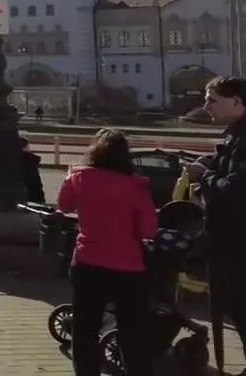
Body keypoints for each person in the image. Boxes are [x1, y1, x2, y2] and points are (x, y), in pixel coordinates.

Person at [57, 128, 156, 376]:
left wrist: (69, 178)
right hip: (128, 266)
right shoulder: (135, 187)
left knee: (85, 328)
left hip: (88, 261)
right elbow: (148, 230)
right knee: (133, 331)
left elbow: (64, 205)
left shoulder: (79, 178)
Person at [191, 76, 246, 363]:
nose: (206, 107)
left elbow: (235, 190)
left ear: (237, 102)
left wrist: (205, 176)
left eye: (212, 100)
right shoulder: (234, 135)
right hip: (229, 241)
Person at [18, 136, 47, 204]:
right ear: (25, 147)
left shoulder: (10, 160)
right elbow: (35, 181)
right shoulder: (30, 160)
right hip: (33, 194)